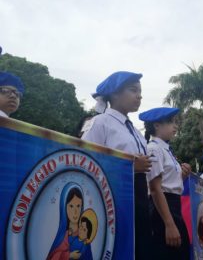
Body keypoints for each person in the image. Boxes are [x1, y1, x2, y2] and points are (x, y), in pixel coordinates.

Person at [81, 71, 152, 259]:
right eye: (133, 90)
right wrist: (130, 167)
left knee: (140, 248)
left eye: (140, 91)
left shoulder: (136, 131)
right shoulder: (99, 123)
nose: (139, 95)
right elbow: (86, 162)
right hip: (114, 197)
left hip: (140, 197)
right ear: (114, 94)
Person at [140, 107, 191, 260]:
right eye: (170, 122)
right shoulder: (153, 149)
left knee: (179, 252)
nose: (175, 126)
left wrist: (182, 175)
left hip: (172, 206)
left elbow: (169, 184)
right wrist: (169, 224)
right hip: (162, 209)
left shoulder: (167, 150)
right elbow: (155, 189)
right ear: (156, 125)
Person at [47, 183, 84, 260]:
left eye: (78, 206)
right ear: (64, 207)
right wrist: (69, 256)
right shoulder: (63, 236)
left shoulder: (84, 233)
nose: (75, 212)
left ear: (82, 207)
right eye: (71, 206)